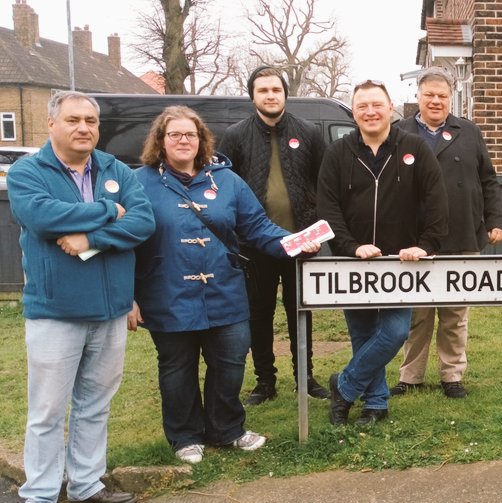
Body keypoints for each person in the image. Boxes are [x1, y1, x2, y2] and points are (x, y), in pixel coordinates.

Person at [130, 106, 320, 465]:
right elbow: (125, 243)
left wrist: (294, 243)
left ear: (202, 140)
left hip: (225, 290)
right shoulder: (140, 184)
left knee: (230, 361)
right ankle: (185, 436)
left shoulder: (227, 181)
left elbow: (259, 227)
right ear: (160, 140)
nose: (183, 140)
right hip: (168, 293)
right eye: (175, 134)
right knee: (176, 367)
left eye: (191, 134)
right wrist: (129, 296)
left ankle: (226, 429)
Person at [8, 91, 155, 503]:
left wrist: (90, 239)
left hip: (110, 309)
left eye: (91, 120)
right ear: (51, 125)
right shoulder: (27, 172)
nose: (84, 128)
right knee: (48, 410)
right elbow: (42, 217)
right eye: (73, 119)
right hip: (55, 311)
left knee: (95, 404)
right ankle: (39, 498)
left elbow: (144, 222)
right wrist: (109, 211)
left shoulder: (115, 169)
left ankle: (87, 484)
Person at [317, 80, 447, 427]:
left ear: (391, 108)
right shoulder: (338, 153)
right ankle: (376, 402)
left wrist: (426, 244)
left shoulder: (416, 149)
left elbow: (436, 201)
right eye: (362, 106)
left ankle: (343, 387)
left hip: (399, 263)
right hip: (354, 262)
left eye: (377, 105)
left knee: (393, 331)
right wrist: (349, 246)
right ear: (354, 112)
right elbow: (328, 207)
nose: (370, 112)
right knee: (362, 335)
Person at [391, 67, 502, 400]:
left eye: (442, 95)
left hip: (462, 234)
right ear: (418, 96)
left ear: (450, 97)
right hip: (414, 238)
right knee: (417, 313)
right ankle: (410, 375)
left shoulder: (468, 131)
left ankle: (452, 375)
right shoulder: (399, 132)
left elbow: (488, 180)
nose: (436, 101)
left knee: (455, 314)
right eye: (429, 95)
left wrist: (494, 220)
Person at [219, 66, 330, 405]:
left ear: (285, 93)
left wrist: (317, 228)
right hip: (255, 245)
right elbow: (224, 188)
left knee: (300, 310)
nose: (270, 95)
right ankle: (265, 382)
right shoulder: (235, 136)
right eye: (263, 90)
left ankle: (305, 378)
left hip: (300, 243)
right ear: (252, 95)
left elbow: (324, 184)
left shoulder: (308, 133)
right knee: (259, 312)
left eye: (276, 90)